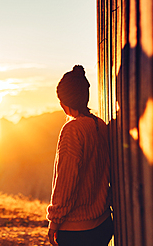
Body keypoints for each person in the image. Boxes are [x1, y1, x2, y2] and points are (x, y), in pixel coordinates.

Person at [47, 65, 113, 246]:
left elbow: (66, 180)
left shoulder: (72, 130)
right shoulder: (99, 125)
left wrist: (55, 220)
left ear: (63, 103)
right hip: (103, 223)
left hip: (78, 230)